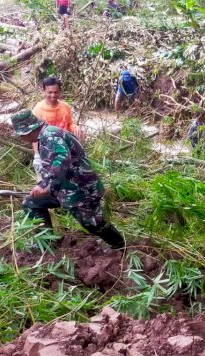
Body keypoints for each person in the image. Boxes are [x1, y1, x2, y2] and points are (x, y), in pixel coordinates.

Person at [11, 110, 125, 249]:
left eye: (21, 136)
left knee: (92, 223)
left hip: (81, 190)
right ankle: (46, 243)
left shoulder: (50, 136)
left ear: (27, 131)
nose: (21, 139)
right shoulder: (45, 136)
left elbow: (62, 158)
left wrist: (46, 184)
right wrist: (44, 184)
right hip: (63, 188)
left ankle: (118, 245)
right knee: (32, 203)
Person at [32, 76, 84, 178]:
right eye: (50, 92)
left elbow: (69, 124)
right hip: (47, 153)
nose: (53, 95)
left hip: (65, 150)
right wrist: (37, 155)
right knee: (46, 183)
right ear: (44, 91)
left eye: (56, 92)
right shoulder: (38, 110)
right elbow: (34, 136)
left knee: (68, 180)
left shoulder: (65, 107)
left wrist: (76, 128)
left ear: (60, 91)